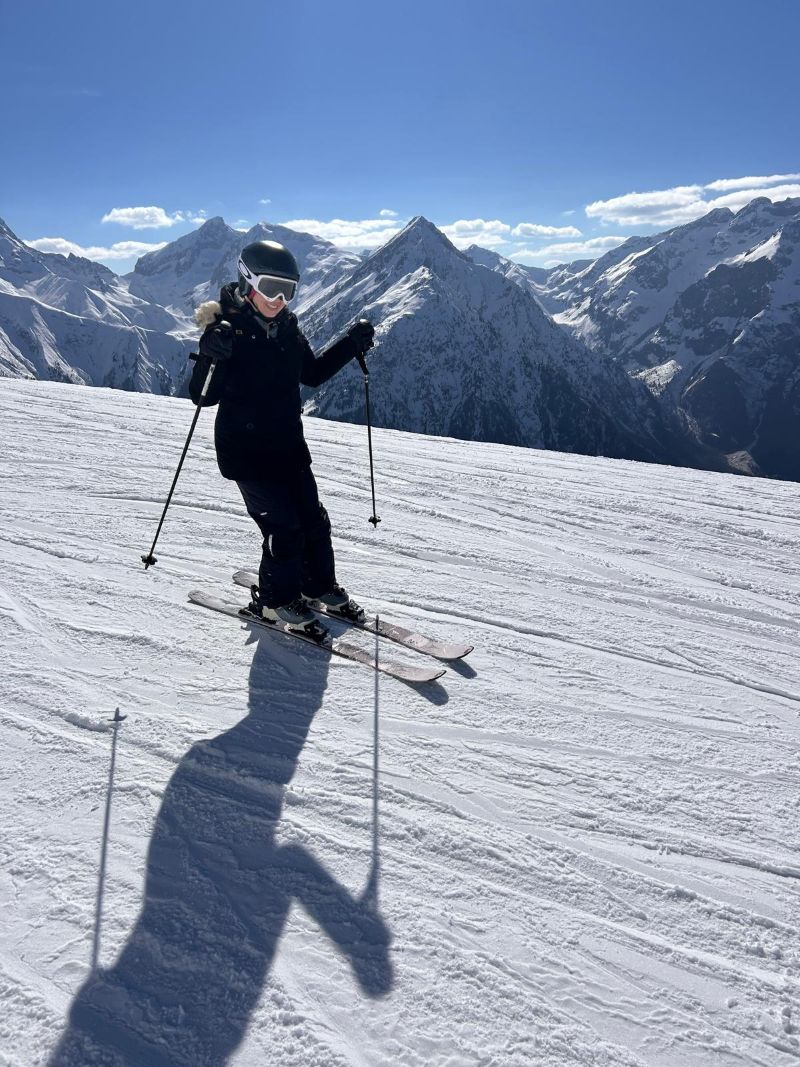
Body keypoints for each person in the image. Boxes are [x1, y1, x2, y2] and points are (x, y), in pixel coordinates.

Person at [189, 239, 375, 633]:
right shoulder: (228, 332)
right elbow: (202, 397)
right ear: (247, 282)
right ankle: (274, 602)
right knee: (284, 530)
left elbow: (312, 374)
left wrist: (349, 345)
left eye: (287, 290)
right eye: (271, 287)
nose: (278, 299)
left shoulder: (288, 328)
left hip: (289, 447)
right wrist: (210, 354)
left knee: (314, 521)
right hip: (247, 453)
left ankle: (317, 586)